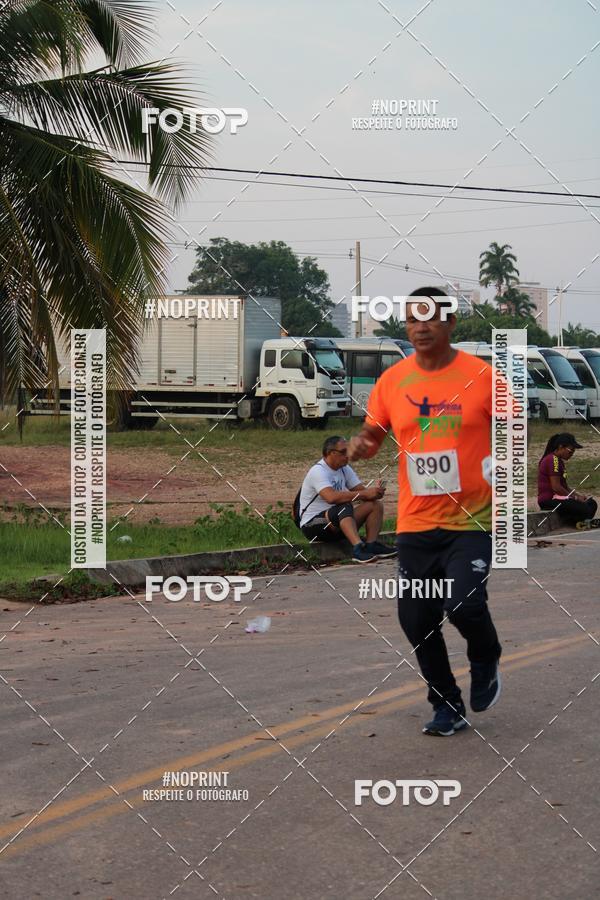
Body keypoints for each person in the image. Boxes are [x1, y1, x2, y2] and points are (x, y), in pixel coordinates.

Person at [348, 287, 502, 737]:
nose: (421, 328)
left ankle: (486, 654)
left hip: (470, 521)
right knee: (417, 619)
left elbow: (516, 430)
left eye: (431, 318)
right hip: (416, 523)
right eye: (413, 320)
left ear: (451, 323)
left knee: (464, 604)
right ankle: (447, 705)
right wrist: (362, 444)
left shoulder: (484, 377)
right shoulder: (393, 381)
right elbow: (373, 434)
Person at [298, 435, 397, 562]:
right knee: (344, 505)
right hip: (313, 526)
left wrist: (374, 493)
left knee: (375, 504)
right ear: (331, 453)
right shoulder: (318, 471)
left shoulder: (344, 469)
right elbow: (331, 498)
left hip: (337, 522)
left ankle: (371, 545)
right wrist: (365, 494)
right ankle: (357, 549)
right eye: (343, 452)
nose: (348, 455)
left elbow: (362, 492)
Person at [538, 433, 597, 526]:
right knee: (585, 509)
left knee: (592, 503)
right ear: (560, 447)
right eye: (570, 451)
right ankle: (573, 520)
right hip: (549, 501)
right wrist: (575, 498)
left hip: (559, 499)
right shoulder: (552, 460)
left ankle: (576, 519)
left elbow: (565, 487)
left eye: (573, 452)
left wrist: (579, 496)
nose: (572, 454)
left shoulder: (559, 461)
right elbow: (556, 487)